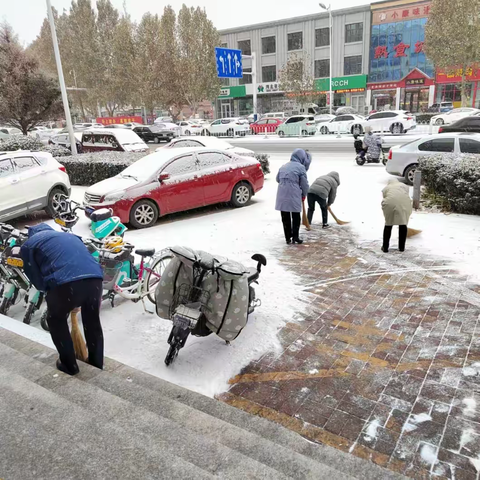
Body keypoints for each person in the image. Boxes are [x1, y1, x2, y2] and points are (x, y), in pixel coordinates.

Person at [20, 224, 104, 375]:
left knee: (55, 320)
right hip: (95, 278)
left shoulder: (29, 244)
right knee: (92, 322)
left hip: (64, 282)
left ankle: (69, 365)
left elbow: (35, 276)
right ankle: (96, 363)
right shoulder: (70, 236)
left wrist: (54, 294)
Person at [275, 148, 311, 244]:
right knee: (295, 216)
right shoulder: (301, 167)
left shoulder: (283, 166)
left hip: (282, 194)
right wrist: (304, 194)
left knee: (285, 217)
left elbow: (277, 179)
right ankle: (295, 237)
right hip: (294, 193)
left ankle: (287, 238)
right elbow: (304, 184)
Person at [381, 178, 412, 253]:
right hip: (404, 204)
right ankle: (401, 247)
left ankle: (385, 247)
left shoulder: (386, 188)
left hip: (389, 204)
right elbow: (406, 193)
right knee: (403, 223)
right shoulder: (404, 186)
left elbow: (385, 196)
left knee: (388, 223)